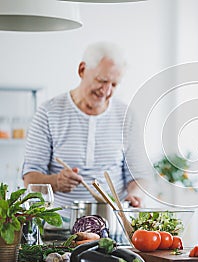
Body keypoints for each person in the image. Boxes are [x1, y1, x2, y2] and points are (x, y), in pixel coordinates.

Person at [22, 42, 149, 221]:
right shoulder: (49, 112)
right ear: (82, 70)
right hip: (60, 226)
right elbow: (30, 180)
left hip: (113, 226)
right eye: (102, 81)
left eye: (114, 84)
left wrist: (136, 194)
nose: (106, 91)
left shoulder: (126, 116)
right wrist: (56, 182)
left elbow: (139, 176)